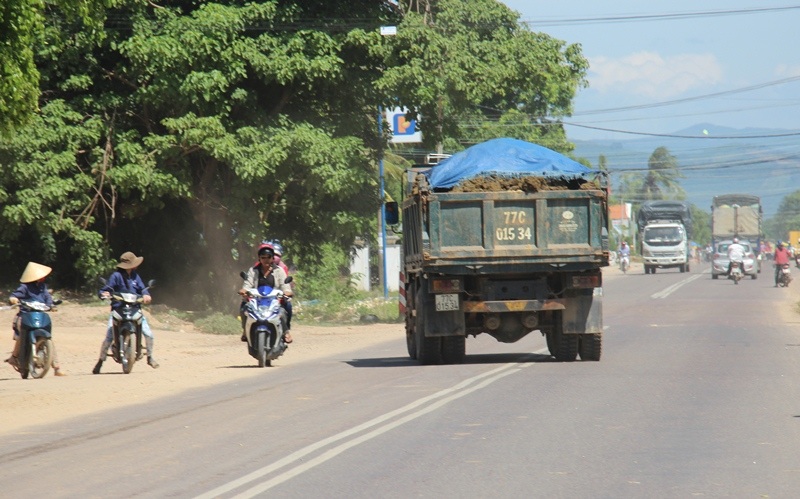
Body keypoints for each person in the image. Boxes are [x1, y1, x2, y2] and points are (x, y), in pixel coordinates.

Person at [93, 251, 157, 374]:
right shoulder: (116, 276)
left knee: (149, 334)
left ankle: (149, 357)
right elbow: (106, 289)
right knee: (108, 338)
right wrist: (104, 294)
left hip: (135, 309)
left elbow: (143, 289)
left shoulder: (135, 276)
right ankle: (100, 361)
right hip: (118, 309)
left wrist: (146, 295)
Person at [5, 262, 66, 376]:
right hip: (25, 315)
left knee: (49, 340)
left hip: (39, 315)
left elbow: (48, 299)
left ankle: (56, 367)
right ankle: (15, 356)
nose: (43, 277)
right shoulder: (25, 287)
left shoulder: (43, 287)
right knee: (21, 336)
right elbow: (15, 296)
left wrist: (51, 306)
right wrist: (14, 299)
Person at [239, 244, 293, 344]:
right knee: (244, 308)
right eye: (263, 257)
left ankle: (286, 331)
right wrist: (244, 290)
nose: (266, 260)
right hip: (257, 300)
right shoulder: (253, 271)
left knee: (287, 306)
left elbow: (285, 285)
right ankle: (245, 331)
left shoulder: (279, 271)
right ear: (259, 258)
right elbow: (248, 284)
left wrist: (287, 291)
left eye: (268, 257)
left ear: (272, 258)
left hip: (274, 300)